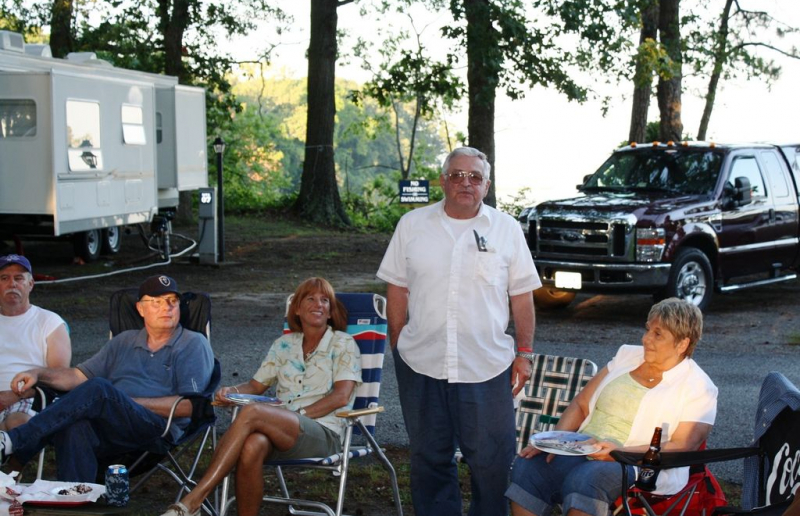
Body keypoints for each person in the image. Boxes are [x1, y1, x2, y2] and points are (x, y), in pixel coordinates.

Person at [377, 146, 542, 516]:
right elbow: (397, 287)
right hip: (421, 363)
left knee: (491, 463)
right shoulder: (412, 225)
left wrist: (525, 353)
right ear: (443, 181)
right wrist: (398, 342)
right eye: (457, 175)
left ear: (487, 185)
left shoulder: (506, 229)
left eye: (474, 177)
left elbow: (522, 296)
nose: (465, 183)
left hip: (486, 366)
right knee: (429, 459)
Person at [159, 277, 362, 516]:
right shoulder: (283, 345)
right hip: (282, 432)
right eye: (310, 298)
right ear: (296, 309)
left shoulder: (343, 344)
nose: (318, 304)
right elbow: (255, 386)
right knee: (252, 445)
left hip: (323, 434)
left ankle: (194, 500)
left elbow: (341, 396)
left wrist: (296, 415)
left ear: (330, 312)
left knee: (253, 412)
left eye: (325, 300)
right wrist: (230, 392)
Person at [506, 298, 718, 516]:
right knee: (530, 467)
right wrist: (556, 442)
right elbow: (581, 404)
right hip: (584, 448)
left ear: (682, 343)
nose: (646, 339)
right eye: (647, 330)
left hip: (638, 463)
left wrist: (619, 453)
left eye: (658, 334)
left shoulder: (698, 386)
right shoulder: (628, 355)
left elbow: (683, 445)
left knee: (589, 479)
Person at [0, 274, 214, 483]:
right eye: (156, 302)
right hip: (111, 425)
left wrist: (123, 403)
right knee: (76, 426)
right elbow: (77, 376)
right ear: (141, 309)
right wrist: (38, 373)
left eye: (172, 301)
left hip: (157, 427)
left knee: (100, 390)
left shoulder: (192, 344)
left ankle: (15, 442)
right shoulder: (124, 341)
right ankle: (75, 499)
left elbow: (191, 407)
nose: (166, 308)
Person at [0, 254, 71, 432]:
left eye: (18, 278)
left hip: (29, 397)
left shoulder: (50, 322)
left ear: (30, 284)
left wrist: (16, 395)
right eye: (4, 278)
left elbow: (60, 375)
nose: (12, 284)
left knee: (17, 425)